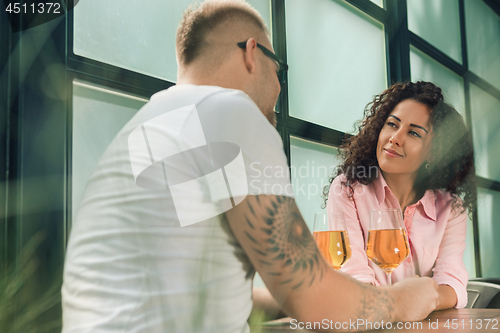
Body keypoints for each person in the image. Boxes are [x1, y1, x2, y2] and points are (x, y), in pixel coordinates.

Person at [62, 1, 440, 332]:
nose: (278, 86)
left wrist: (292, 297)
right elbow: (319, 303)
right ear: (252, 54)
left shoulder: (152, 129)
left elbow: (193, 291)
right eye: (280, 70)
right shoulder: (231, 112)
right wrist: (404, 300)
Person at [324, 81, 476, 310]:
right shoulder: (347, 190)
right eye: (392, 124)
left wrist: (430, 299)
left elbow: (452, 281)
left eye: (414, 133)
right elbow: (354, 278)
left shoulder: (451, 209)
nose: (395, 137)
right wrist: (410, 301)